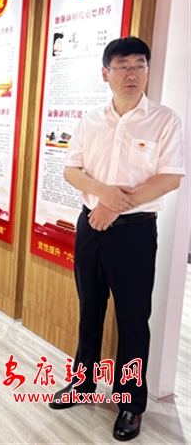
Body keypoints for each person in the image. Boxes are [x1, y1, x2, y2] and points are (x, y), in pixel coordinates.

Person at [49, 37, 184, 441]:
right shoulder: (90, 119)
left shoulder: (165, 120)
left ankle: (131, 402)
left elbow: (170, 177)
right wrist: (102, 194)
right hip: (90, 226)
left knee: (132, 318)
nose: (132, 74)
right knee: (89, 307)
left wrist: (116, 206)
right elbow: (71, 170)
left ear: (147, 71)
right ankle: (83, 382)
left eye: (139, 65)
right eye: (123, 66)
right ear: (105, 73)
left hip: (135, 232)